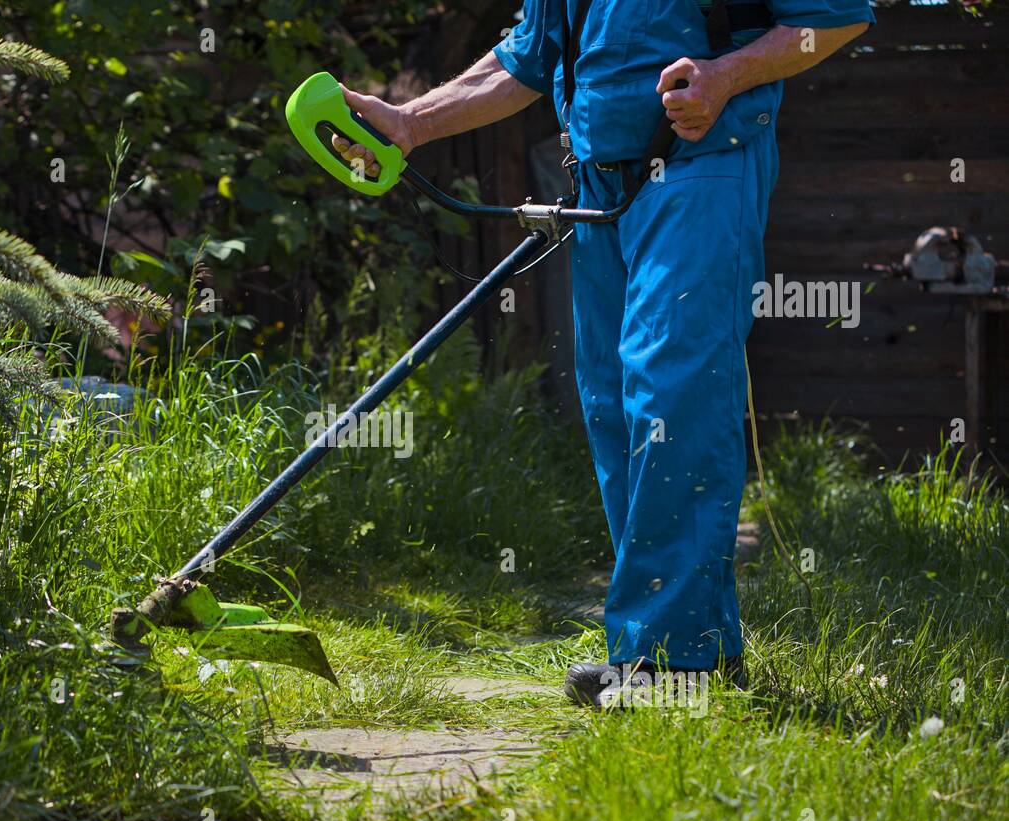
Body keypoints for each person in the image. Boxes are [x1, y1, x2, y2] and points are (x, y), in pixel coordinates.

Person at [331, 0, 874, 705]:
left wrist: (726, 76)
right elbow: (526, 56)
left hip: (703, 164)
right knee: (616, 407)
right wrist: (412, 123)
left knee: (670, 393)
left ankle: (668, 664)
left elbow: (833, 18)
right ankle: (702, 648)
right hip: (600, 188)